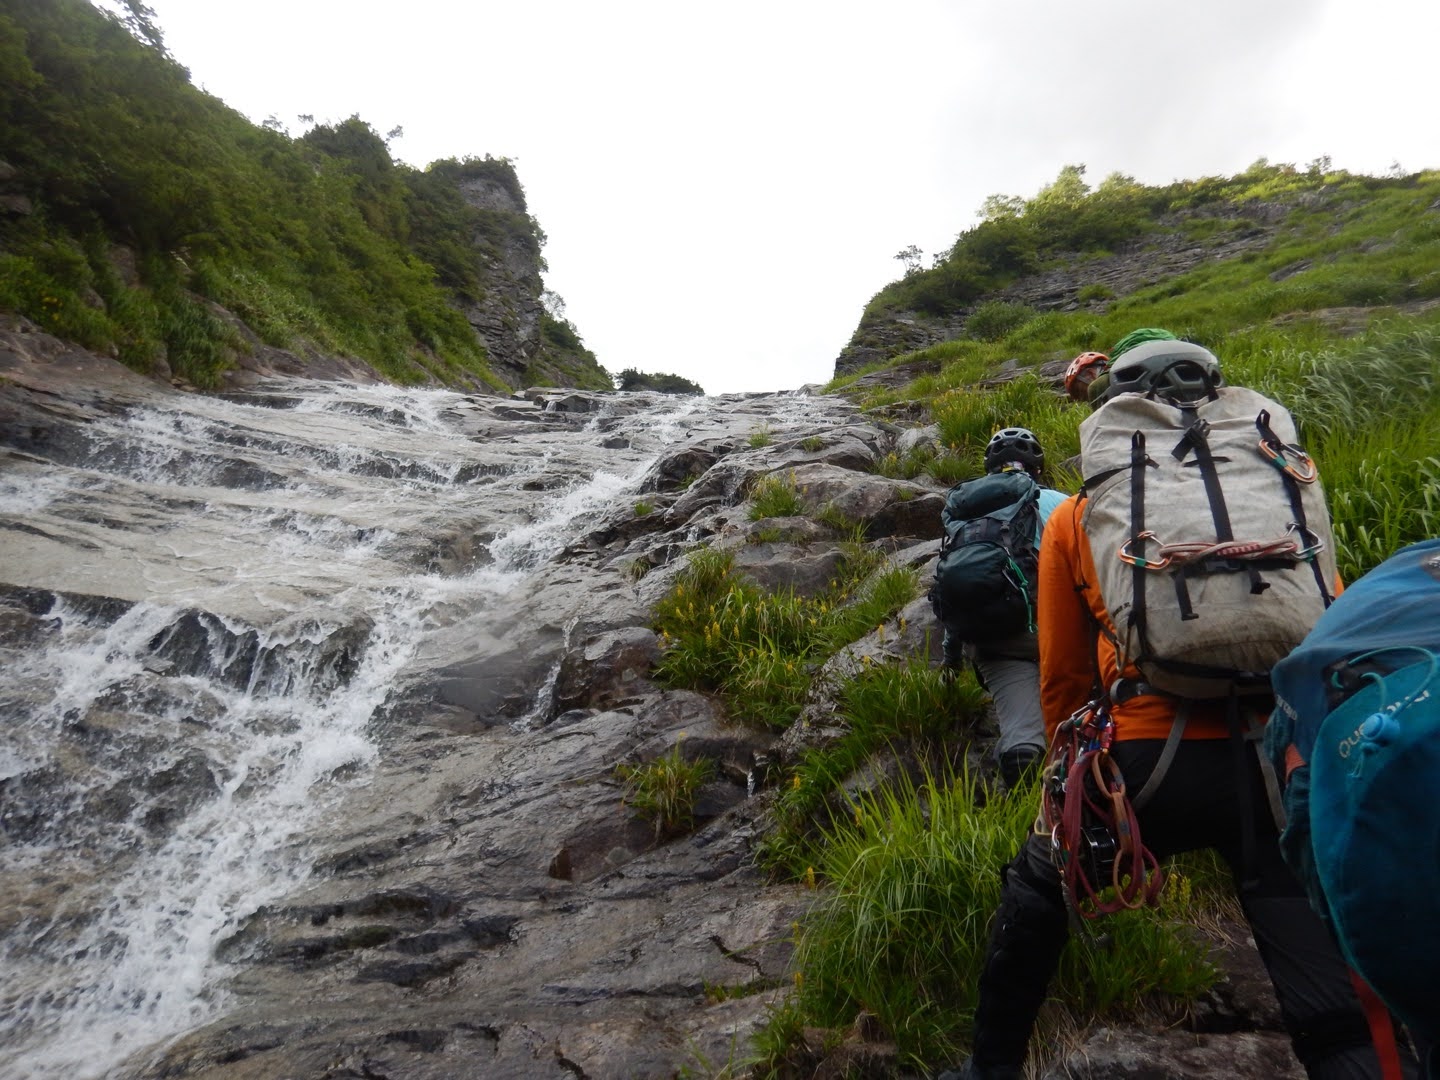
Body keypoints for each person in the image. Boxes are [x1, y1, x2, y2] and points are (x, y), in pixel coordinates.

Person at [940, 332, 1412, 1080]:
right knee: (1328, 1003)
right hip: (1276, 762)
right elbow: (1330, 624)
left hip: (1145, 760)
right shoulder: (1284, 484)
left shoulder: (1083, 513)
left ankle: (988, 1067)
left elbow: (1063, 677)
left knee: (1036, 896)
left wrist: (1062, 778)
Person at [940, 427, 1067, 790]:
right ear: (1037, 468)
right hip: (1060, 634)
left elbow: (958, 588)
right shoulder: (1061, 503)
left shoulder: (967, 516)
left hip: (995, 640)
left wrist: (951, 660)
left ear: (991, 469)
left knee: (1022, 735)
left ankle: (1023, 808)